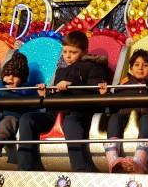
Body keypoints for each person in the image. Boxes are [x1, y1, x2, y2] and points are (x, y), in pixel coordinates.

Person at [16, 30, 108, 172]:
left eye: (73, 52)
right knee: (28, 118)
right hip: (57, 112)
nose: (68, 56)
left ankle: (80, 169)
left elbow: (94, 91)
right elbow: (58, 96)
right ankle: (25, 167)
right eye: (65, 52)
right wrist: (45, 96)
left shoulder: (94, 68)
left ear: (84, 52)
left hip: (78, 111)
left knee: (71, 122)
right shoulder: (60, 72)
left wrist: (71, 86)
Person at [99, 49, 148, 174]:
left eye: (145, 65)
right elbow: (115, 100)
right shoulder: (124, 82)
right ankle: (113, 159)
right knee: (114, 118)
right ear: (131, 68)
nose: (140, 68)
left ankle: (140, 160)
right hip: (126, 115)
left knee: (146, 119)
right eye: (136, 65)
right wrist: (106, 94)